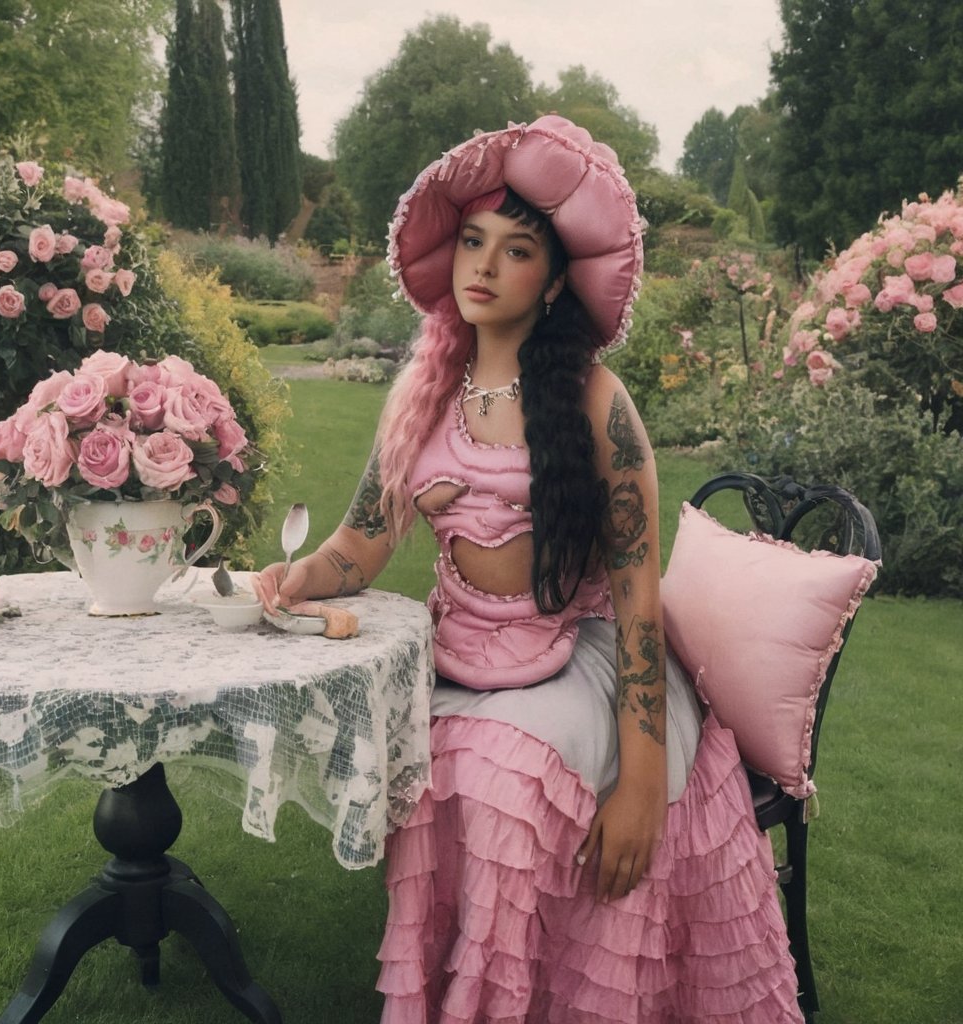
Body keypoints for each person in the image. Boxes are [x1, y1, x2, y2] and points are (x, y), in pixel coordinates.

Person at [255, 116, 804, 1023]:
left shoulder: (597, 403)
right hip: (462, 653)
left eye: (514, 251)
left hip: (582, 652)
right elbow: (359, 543)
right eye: (473, 242)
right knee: (424, 773)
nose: (482, 265)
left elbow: (637, 605)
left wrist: (637, 786)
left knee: (505, 777)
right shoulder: (423, 398)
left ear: (552, 284)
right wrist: (297, 577)